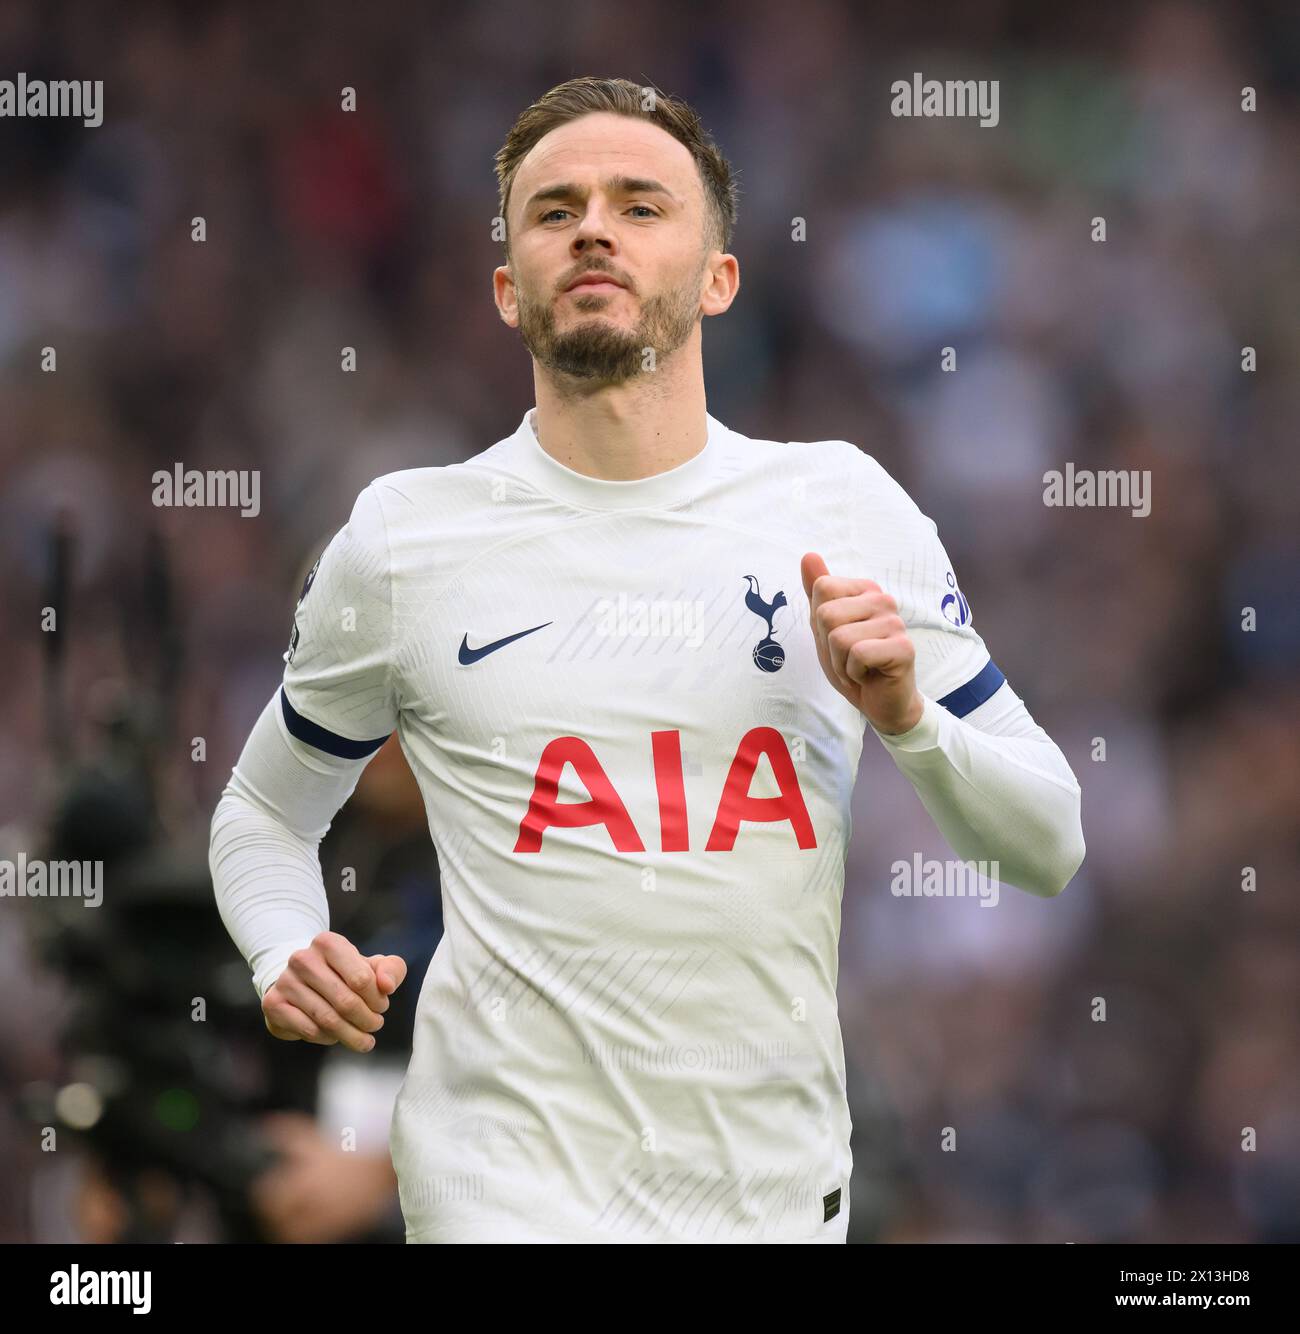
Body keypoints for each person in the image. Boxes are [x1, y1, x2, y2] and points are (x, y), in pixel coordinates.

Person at [209, 75, 1085, 1244]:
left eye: (640, 204)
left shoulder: (842, 507)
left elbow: (1047, 843)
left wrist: (910, 720)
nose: (593, 229)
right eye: (555, 207)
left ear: (719, 277)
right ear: (507, 286)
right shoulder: (406, 538)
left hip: (769, 1204)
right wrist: (284, 946)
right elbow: (264, 812)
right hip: (496, 1199)